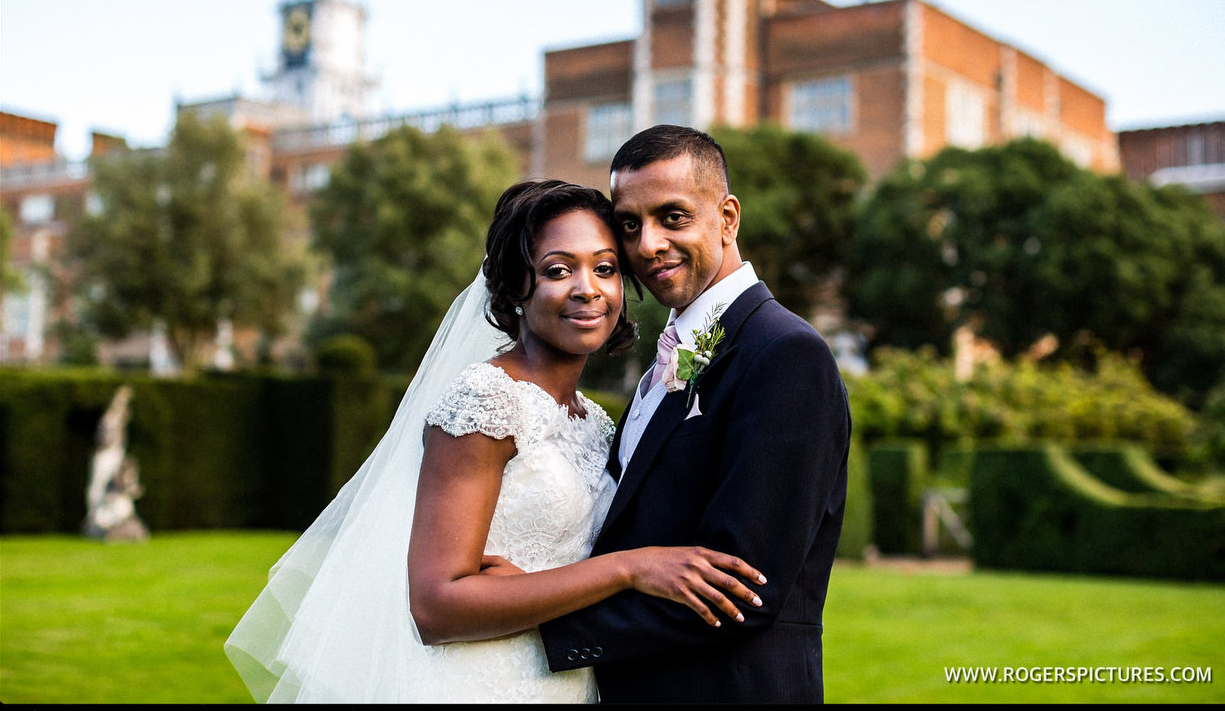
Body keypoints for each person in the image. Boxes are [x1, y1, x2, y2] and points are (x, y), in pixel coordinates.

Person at [225, 179, 765, 703]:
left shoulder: (597, 422)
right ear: (515, 288)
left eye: (605, 268)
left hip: (568, 680)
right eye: (558, 270)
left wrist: (545, 582)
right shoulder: (486, 402)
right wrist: (628, 569)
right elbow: (437, 606)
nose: (588, 288)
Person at [539, 125, 853, 703]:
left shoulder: (784, 353)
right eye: (629, 224)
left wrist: (537, 628)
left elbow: (741, 588)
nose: (648, 244)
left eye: (673, 217)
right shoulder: (680, 352)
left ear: (728, 218)